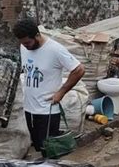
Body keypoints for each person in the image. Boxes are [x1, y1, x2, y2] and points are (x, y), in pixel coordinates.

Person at [13, 18, 85, 152]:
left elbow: (79, 69)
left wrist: (61, 92)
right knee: (37, 148)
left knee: (49, 151)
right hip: (29, 109)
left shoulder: (55, 50)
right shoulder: (24, 46)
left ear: (37, 35)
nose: (25, 46)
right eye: (22, 43)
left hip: (48, 111)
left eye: (28, 42)